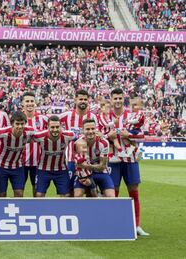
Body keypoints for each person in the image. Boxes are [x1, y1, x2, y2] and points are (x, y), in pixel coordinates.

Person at [108, 88, 149, 236]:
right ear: (111, 100)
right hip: (113, 160)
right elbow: (101, 135)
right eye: (115, 98)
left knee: (134, 191)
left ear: (123, 99)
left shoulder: (131, 116)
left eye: (120, 98)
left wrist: (129, 134)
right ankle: (114, 223)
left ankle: (136, 225)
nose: (118, 101)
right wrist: (108, 136)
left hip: (130, 159)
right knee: (113, 192)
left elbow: (142, 136)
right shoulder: (106, 116)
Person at [59, 89, 98, 194]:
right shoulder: (66, 115)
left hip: (89, 160)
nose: (83, 101)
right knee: (69, 190)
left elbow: (97, 135)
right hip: (70, 160)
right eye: (80, 99)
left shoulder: (93, 117)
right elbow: (51, 123)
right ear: (75, 100)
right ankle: (70, 210)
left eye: (85, 99)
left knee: (90, 191)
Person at [33, 116, 75, 197]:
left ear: (61, 126)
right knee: (39, 194)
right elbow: (25, 138)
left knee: (66, 195)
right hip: (43, 169)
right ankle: (40, 210)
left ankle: (63, 210)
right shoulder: (39, 136)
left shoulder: (69, 135)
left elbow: (82, 139)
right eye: (52, 127)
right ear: (47, 127)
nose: (55, 129)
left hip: (61, 170)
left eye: (57, 127)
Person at [0, 111, 34, 197]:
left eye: (22, 124)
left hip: (17, 167)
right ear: (12, 123)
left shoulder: (30, 131)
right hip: (1, 166)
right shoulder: (3, 132)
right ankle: (0, 210)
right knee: (1, 194)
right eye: (17, 124)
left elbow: (41, 136)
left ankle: (18, 210)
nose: (20, 126)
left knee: (19, 194)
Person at [73, 120, 114, 197]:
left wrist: (86, 166)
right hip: (84, 174)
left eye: (93, 128)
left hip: (101, 173)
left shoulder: (104, 143)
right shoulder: (78, 143)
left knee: (111, 196)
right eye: (87, 129)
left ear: (96, 129)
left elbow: (102, 166)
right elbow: (78, 164)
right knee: (77, 195)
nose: (91, 131)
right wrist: (83, 174)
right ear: (82, 130)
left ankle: (99, 196)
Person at [21, 92, 48, 197]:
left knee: (37, 190)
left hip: (38, 161)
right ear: (22, 103)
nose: (30, 103)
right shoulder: (17, 119)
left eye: (32, 101)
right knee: (19, 189)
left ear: (35, 103)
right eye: (27, 101)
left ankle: (37, 210)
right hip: (21, 161)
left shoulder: (43, 119)